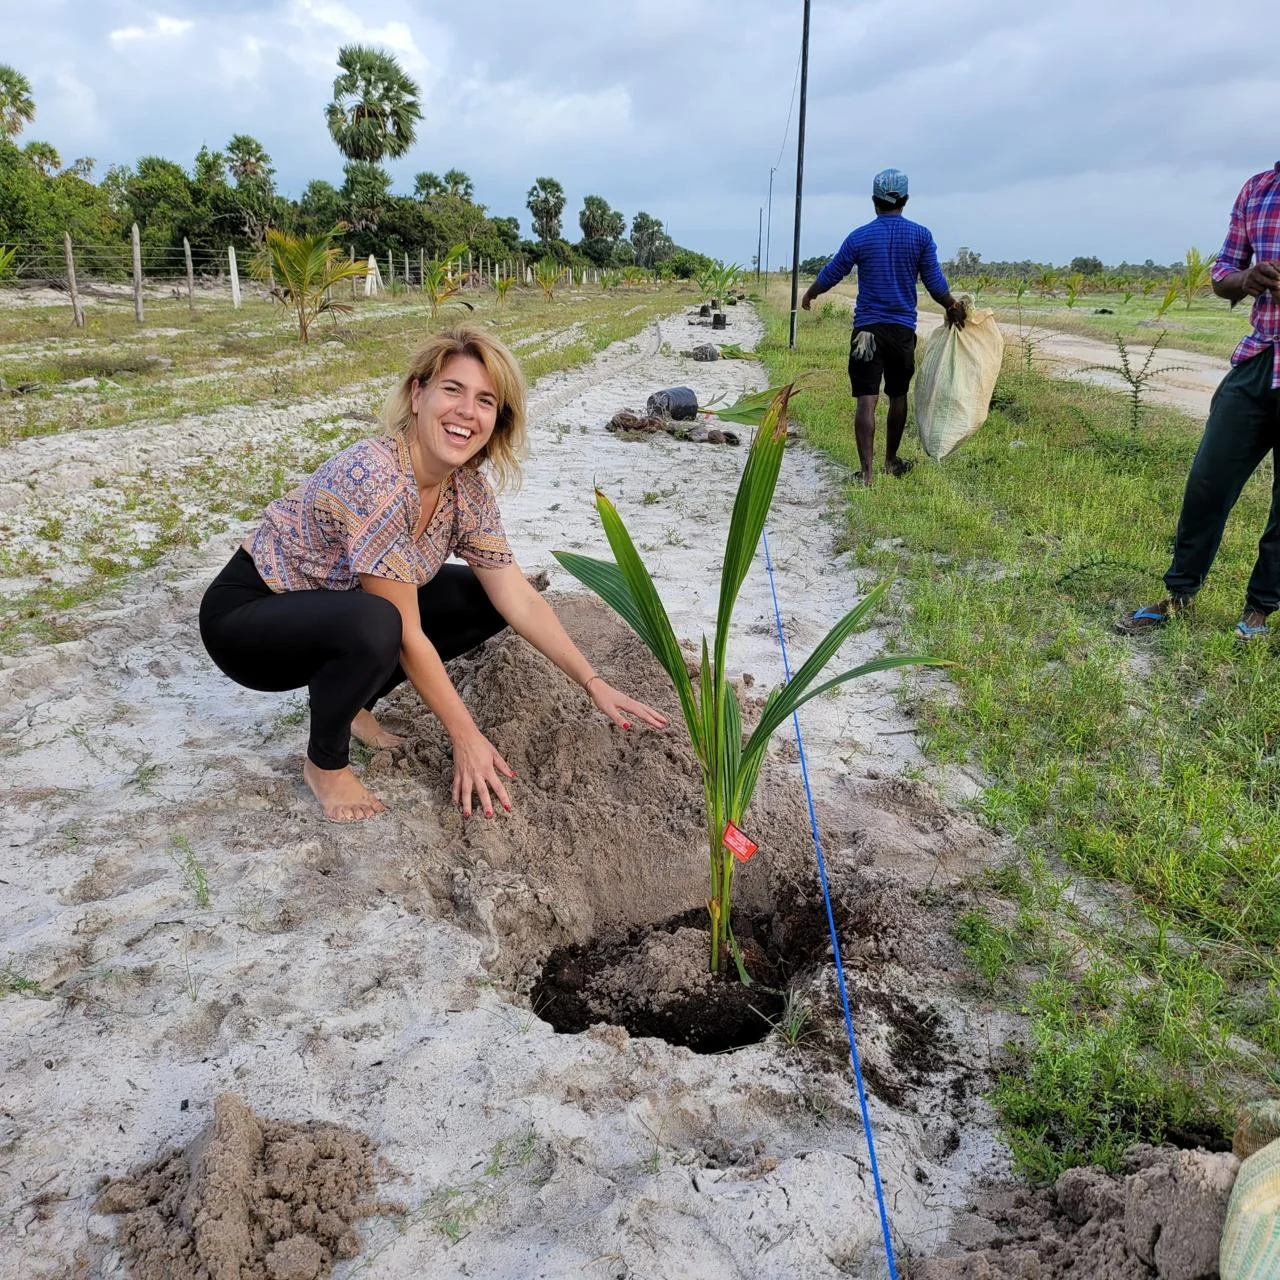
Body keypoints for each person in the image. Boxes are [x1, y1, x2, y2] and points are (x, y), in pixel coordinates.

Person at [199, 324, 667, 823]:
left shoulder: (467, 491)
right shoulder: (376, 476)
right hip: (250, 620)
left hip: (336, 608)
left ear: (497, 420)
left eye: (485, 400)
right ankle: (325, 765)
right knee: (380, 623)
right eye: (453, 390)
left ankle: (354, 703)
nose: (467, 411)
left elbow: (519, 598)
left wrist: (592, 682)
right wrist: (466, 737)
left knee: (480, 599)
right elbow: (406, 633)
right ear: (417, 395)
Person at [1117, 163, 1280, 641]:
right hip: (1258, 359)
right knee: (1208, 482)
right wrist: (1247, 278)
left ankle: (1259, 610)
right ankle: (1180, 594)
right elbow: (1222, 274)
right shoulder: (1258, 189)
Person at [801, 167, 967, 485]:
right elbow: (934, 282)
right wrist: (951, 305)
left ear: (874, 200)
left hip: (866, 331)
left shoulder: (860, 237)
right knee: (898, 395)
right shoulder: (921, 236)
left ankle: (866, 474)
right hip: (901, 331)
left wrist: (811, 293)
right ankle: (891, 462)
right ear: (905, 199)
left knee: (867, 398)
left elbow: (834, 270)